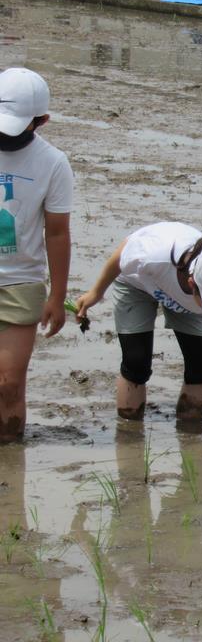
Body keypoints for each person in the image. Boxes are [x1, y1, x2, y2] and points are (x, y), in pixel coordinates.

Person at [76, 224, 202, 440]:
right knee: (136, 361)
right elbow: (122, 253)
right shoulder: (153, 254)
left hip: (186, 300)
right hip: (137, 284)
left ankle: (190, 436)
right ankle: (129, 438)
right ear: (192, 284)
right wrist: (96, 292)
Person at [0, 68, 72, 443]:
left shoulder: (53, 163)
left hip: (20, 280)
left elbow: (57, 232)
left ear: (40, 121)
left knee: (9, 382)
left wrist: (57, 297)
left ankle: (11, 461)